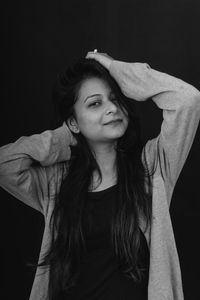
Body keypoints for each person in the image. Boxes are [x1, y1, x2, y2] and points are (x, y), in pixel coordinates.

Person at [0, 50, 199, 300]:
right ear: (73, 122)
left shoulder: (152, 168)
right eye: (95, 103)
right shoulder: (56, 184)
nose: (112, 109)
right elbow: (5, 164)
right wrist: (67, 137)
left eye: (116, 99)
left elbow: (187, 100)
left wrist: (115, 68)